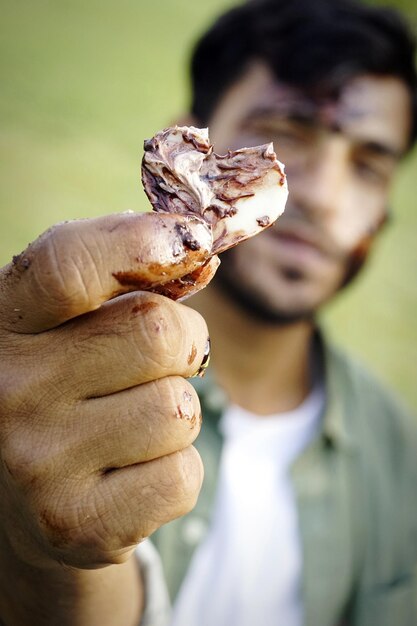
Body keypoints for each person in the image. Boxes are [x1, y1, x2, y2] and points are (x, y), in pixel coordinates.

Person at [0, 0, 416, 625]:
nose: (325, 196)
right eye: (290, 132)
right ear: (188, 148)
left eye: (367, 165)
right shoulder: (49, 393)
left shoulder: (400, 458)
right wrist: (41, 557)